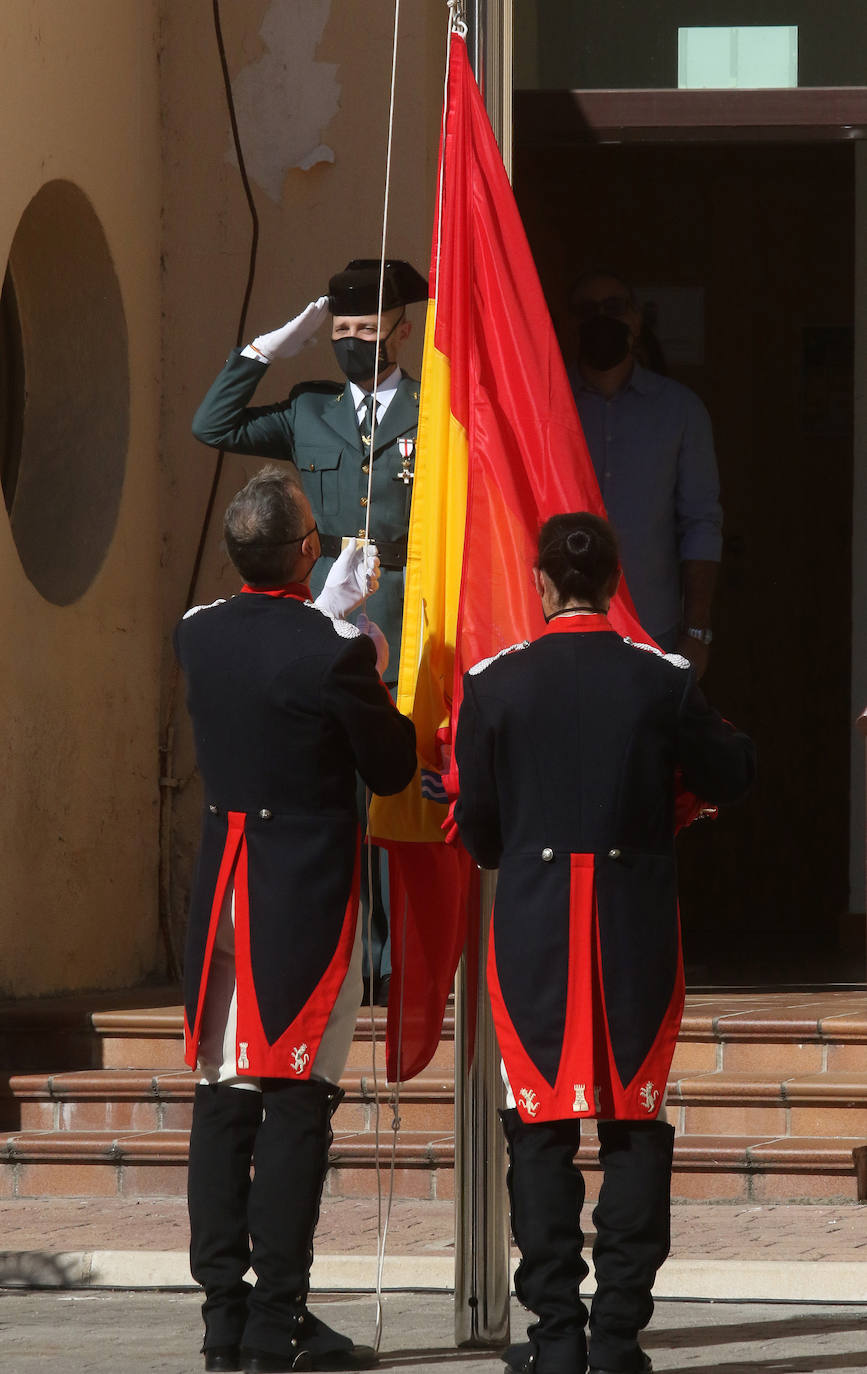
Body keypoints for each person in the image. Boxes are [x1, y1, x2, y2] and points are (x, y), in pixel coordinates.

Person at [454, 512, 754, 1374]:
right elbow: (730, 771)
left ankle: (555, 1338)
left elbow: (478, 826)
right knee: (632, 1122)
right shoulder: (660, 678)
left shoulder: (494, 682)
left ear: (543, 583)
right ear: (616, 583)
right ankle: (618, 1336)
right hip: (630, 923)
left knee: (539, 1127)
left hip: (537, 923)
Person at [175, 466, 417, 1374]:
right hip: (303, 892)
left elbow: (251, 648)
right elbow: (390, 767)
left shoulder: (195, 633)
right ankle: (276, 1317)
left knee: (224, 1098)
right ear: (308, 552)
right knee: (295, 1103)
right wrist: (360, 647)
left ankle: (222, 1318)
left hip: (225, 890)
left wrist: (325, 618)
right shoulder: (332, 651)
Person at [192, 257, 428, 1005]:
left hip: (400, 609)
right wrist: (264, 350)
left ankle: (392, 964)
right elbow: (213, 426)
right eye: (343, 329)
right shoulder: (311, 408)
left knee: (387, 798)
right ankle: (345, 954)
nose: (354, 341)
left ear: (402, 328)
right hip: (322, 609)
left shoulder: (432, 408)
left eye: (368, 328)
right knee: (328, 795)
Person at [567, 271, 722, 675]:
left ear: (636, 320)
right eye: (587, 311)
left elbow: (701, 523)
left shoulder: (680, 411)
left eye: (614, 308)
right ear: (571, 324)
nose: (601, 320)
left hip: (652, 632)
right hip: (558, 629)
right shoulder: (545, 406)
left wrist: (697, 632)